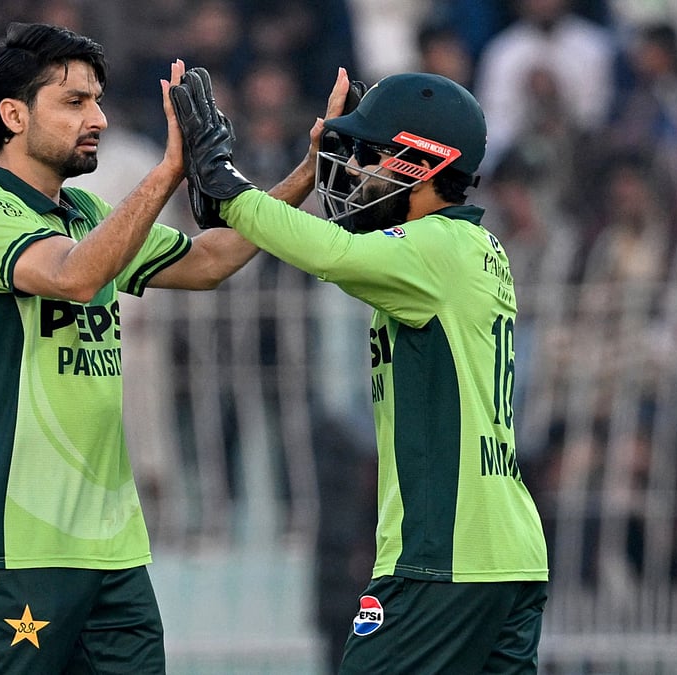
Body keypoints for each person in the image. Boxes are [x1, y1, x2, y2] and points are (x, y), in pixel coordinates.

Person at [0, 22, 349, 673]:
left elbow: (212, 261)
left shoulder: (87, 217)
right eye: (73, 102)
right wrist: (168, 172)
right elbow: (75, 276)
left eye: (96, 99)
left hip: (113, 551)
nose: (96, 116)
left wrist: (307, 171)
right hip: (15, 555)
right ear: (13, 114)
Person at [170, 69, 550, 672]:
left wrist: (224, 183)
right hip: (508, 557)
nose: (355, 174)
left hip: (443, 557)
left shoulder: (437, 248)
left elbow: (330, 253)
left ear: (421, 164)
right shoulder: (468, 248)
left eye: (371, 157)